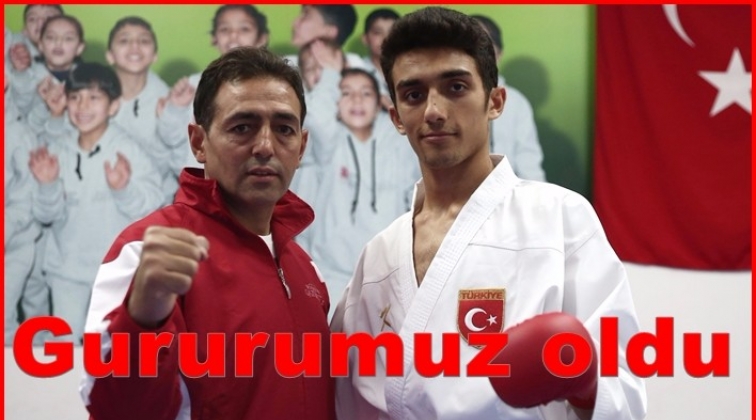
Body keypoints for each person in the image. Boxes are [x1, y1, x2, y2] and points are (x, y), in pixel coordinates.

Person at [332, 7, 646, 420]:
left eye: (456, 87)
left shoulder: (561, 220)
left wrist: (588, 386)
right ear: (396, 118)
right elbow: (348, 403)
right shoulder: (378, 257)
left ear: (495, 101)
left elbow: (625, 390)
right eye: (413, 95)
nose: (434, 111)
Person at [80, 47, 335, 420]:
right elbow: (113, 410)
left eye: (284, 129)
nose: (266, 146)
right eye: (242, 127)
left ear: (301, 147)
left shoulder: (305, 268)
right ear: (199, 142)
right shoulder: (146, 249)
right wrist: (143, 316)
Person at [28, 62, 163, 342]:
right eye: (75, 97)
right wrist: (48, 185)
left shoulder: (129, 150)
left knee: (107, 348)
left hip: (116, 271)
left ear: (113, 106)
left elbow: (153, 206)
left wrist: (123, 189)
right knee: (64, 343)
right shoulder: (56, 151)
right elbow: (45, 216)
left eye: (94, 97)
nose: (82, 106)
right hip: (66, 269)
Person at [157, 4, 269, 177]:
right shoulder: (194, 85)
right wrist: (176, 108)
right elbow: (171, 138)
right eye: (225, 29)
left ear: (262, 38)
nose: (233, 36)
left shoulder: (274, 86)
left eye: (244, 29)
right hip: (204, 184)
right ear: (214, 38)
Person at [471, 13, 547, 182]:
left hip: (506, 193)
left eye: (483, 45)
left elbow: (529, 166)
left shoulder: (517, 103)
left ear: (499, 54)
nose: (475, 54)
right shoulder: (440, 98)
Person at [288, 5, 365, 69]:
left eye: (306, 16)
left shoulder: (355, 67)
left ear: (329, 32)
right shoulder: (287, 65)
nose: (295, 23)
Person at [360, 7, 400, 110]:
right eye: (377, 33)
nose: (385, 39)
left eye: (392, 33)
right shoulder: (358, 68)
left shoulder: (412, 70)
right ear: (365, 39)